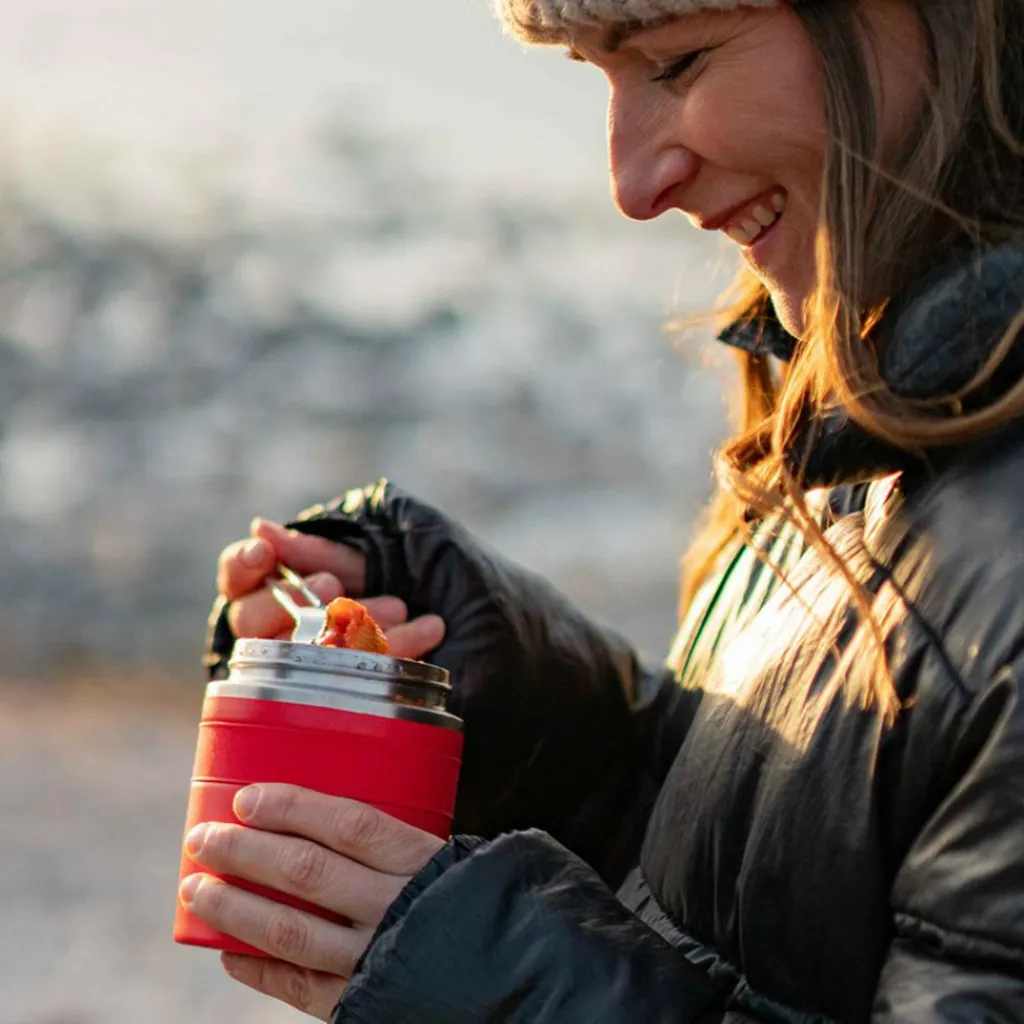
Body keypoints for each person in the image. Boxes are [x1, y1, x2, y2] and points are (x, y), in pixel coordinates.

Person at [180, 0, 1024, 1021]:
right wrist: (512, 713)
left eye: (678, 61)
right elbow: (775, 895)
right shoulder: (871, 412)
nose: (631, 184)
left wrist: (497, 989)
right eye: (598, 75)